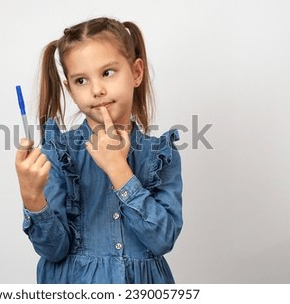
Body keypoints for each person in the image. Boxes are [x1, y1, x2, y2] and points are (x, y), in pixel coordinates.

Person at [15, 17, 183, 284]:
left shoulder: (160, 154)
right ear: (70, 90)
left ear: (136, 72)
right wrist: (32, 198)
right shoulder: (58, 153)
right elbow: (53, 250)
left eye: (107, 73)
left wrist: (119, 169)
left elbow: (162, 239)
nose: (97, 90)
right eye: (81, 80)